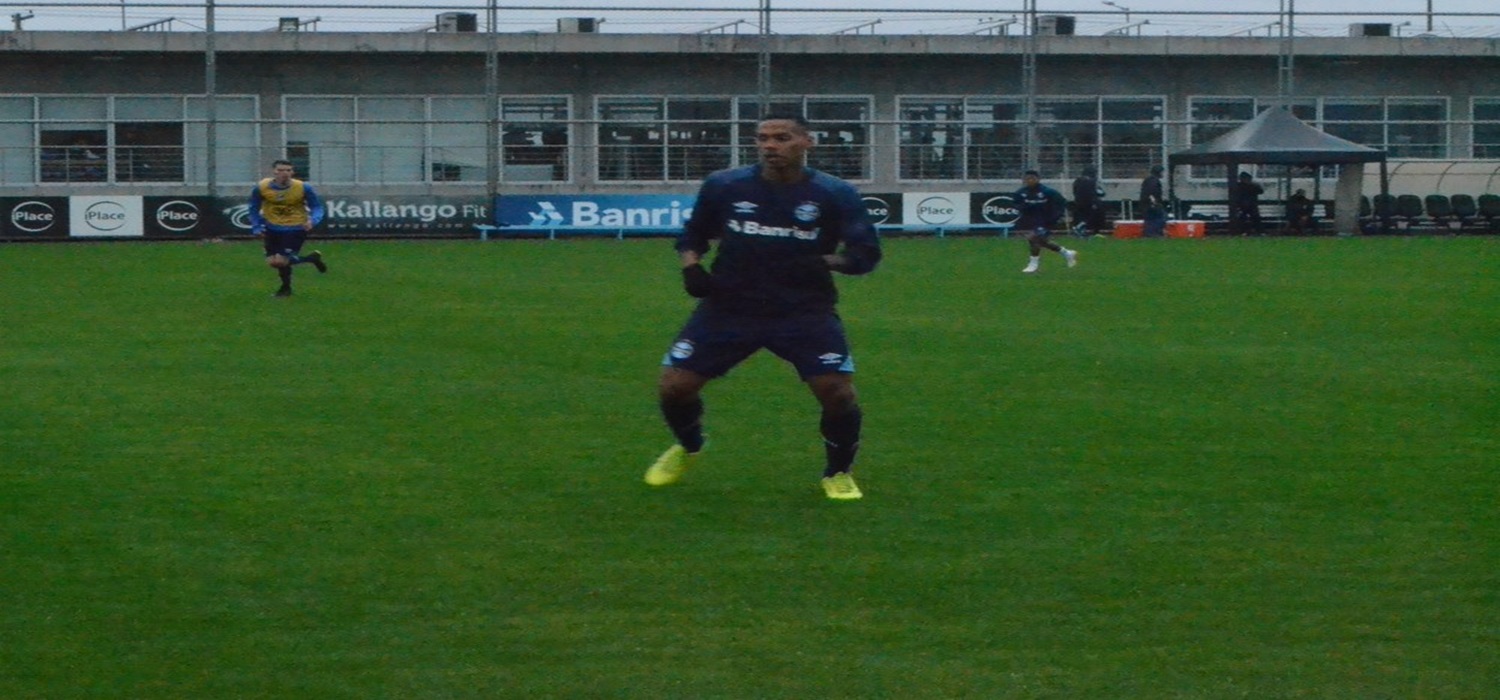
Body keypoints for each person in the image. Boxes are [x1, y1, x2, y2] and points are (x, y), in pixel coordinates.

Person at [644, 114, 882, 501]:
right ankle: (689, 446)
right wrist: (691, 266)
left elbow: (865, 255)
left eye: (782, 138)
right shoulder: (725, 185)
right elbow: (693, 234)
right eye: (763, 138)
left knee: (837, 393)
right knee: (674, 387)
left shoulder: (835, 194)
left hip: (803, 310)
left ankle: (837, 472)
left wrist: (823, 261)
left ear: (808, 142)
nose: (770, 146)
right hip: (730, 307)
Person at [248, 159, 327, 297]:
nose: (285, 173)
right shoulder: (262, 187)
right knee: (273, 262)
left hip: (295, 228)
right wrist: (256, 226)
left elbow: (317, 206)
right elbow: (253, 207)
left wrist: (313, 220)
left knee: (281, 260)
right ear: (274, 172)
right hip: (271, 227)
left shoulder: (303, 187)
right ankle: (311, 259)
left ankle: (285, 289)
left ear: (292, 172)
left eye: (288, 170)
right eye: (280, 170)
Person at [1013, 169, 1077, 273]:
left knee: (1034, 238)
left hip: (1045, 221)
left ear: (1038, 179)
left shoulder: (1048, 192)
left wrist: (1056, 216)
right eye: (1027, 179)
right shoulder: (1020, 193)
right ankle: (1067, 253)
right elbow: (1016, 205)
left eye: (1033, 178)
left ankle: (1033, 265)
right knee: (1041, 241)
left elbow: (1062, 203)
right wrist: (1024, 209)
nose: (1030, 180)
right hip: (1029, 221)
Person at [1070, 165, 1108, 236]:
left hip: (1078, 202)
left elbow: (1075, 191)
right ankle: (1093, 231)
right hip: (1090, 203)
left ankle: (1080, 229)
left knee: (1081, 217)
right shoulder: (1091, 182)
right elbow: (1099, 193)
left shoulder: (1077, 181)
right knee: (1095, 216)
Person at [1229, 171, 1264, 236]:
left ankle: (1259, 231)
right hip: (1242, 205)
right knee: (1242, 218)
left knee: (1255, 218)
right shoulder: (1239, 186)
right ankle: (1243, 231)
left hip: (1251, 205)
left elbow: (1261, 191)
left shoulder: (1252, 185)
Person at [1140, 164, 1167, 238]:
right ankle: (1155, 234)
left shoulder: (1148, 180)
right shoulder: (1154, 181)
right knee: (1159, 218)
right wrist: (1154, 203)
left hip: (1146, 203)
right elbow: (1151, 193)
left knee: (1149, 220)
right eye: (1162, 172)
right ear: (1159, 172)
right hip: (1152, 204)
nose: (1163, 174)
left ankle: (1149, 234)